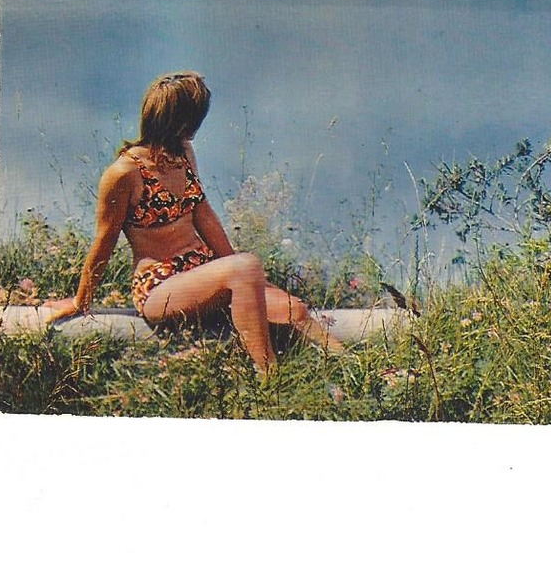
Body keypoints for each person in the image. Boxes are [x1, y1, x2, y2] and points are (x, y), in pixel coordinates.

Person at [42, 71, 344, 369]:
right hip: (160, 287)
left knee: (293, 309)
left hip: (205, 275)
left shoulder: (183, 153)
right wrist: (80, 301)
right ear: (182, 120)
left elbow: (204, 214)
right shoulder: (123, 174)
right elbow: (104, 242)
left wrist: (253, 282)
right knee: (247, 265)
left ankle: (355, 368)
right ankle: (269, 379)